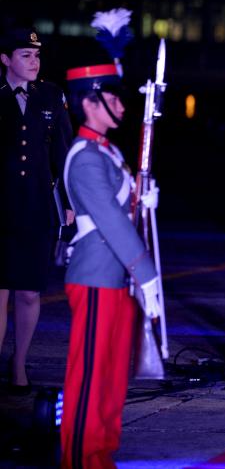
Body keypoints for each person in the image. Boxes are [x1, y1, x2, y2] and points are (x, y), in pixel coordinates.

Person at [59, 60, 161, 468]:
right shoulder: (85, 156)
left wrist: (142, 195)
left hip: (117, 276)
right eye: (112, 96)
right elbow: (111, 221)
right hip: (98, 274)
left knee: (114, 373)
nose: (120, 104)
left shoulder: (109, 151)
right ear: (90, 102)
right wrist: (147, 272)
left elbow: (125, 209)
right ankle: (81, 456)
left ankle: (101, 452)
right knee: (90, 375)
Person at [0, 27, 73, 395]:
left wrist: (71, 203)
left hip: (37, 207)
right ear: (5, 60)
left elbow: (64, 151)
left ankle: (19, 363)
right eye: (25, 55)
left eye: (37, 55)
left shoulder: (50, 94)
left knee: (29, 292)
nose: (33, 61)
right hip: (1, 207)